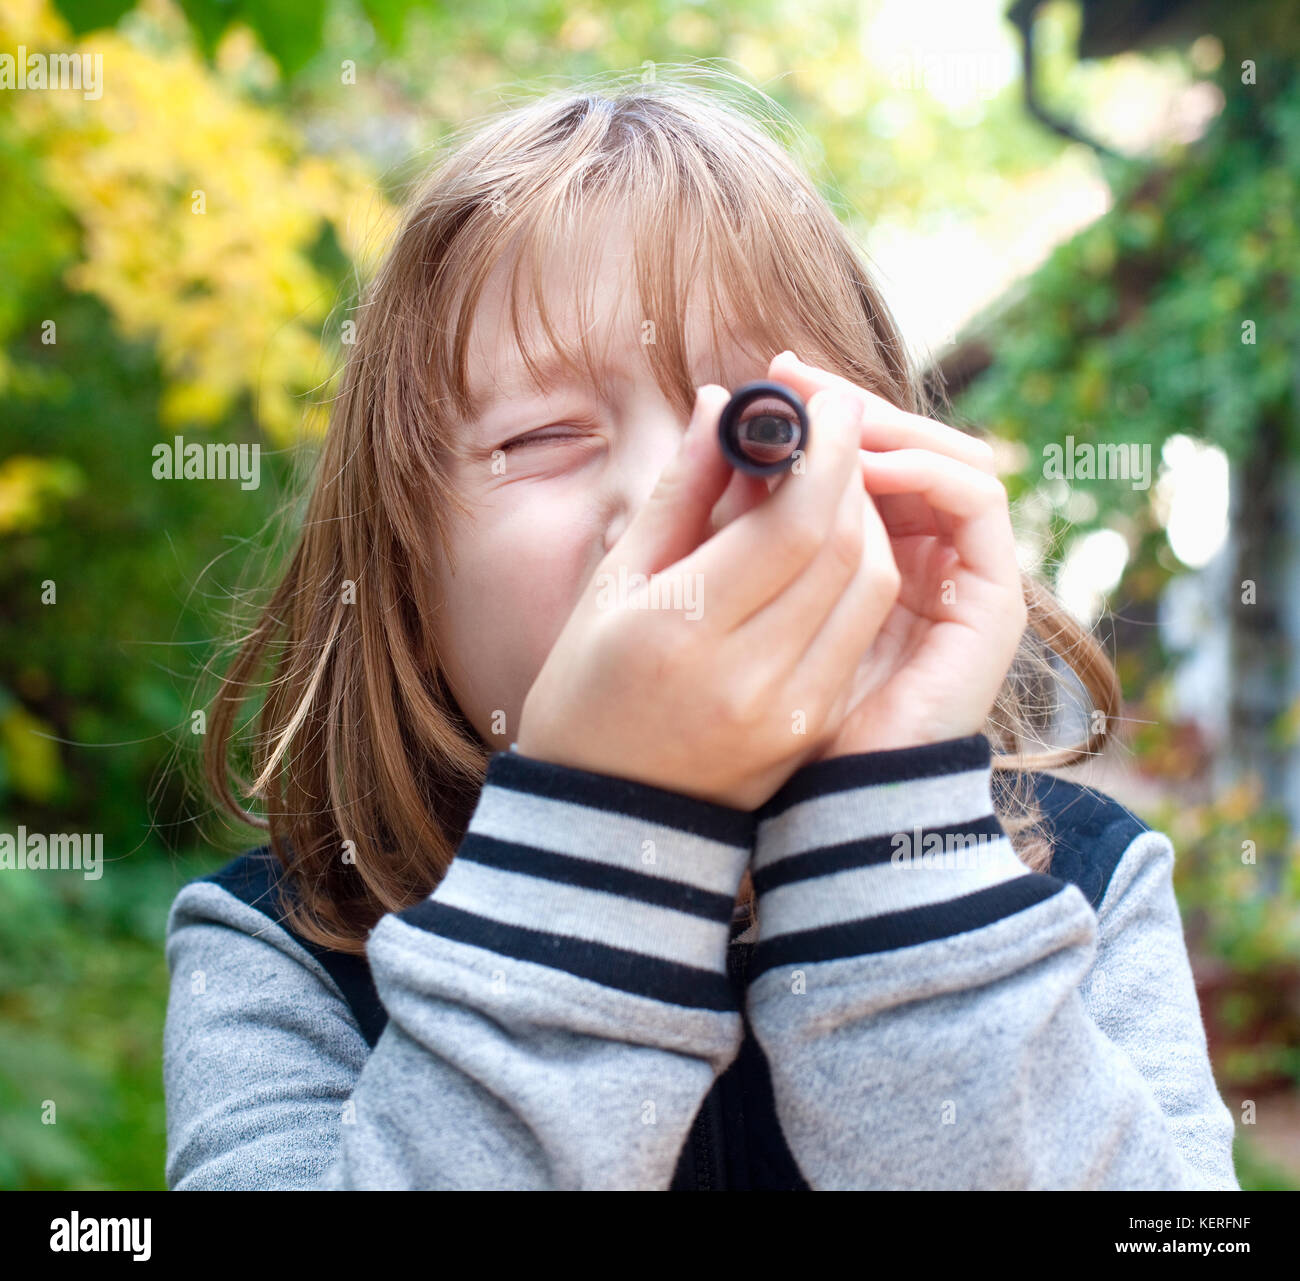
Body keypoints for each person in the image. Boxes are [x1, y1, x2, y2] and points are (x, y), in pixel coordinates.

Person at [163, 71, 1239, 1190]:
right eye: (537, 437)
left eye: (752, 428)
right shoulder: (281, 949)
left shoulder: (1085, 886)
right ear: (402, 573)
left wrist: (886, 820)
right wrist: (601, 831)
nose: (657, 499)